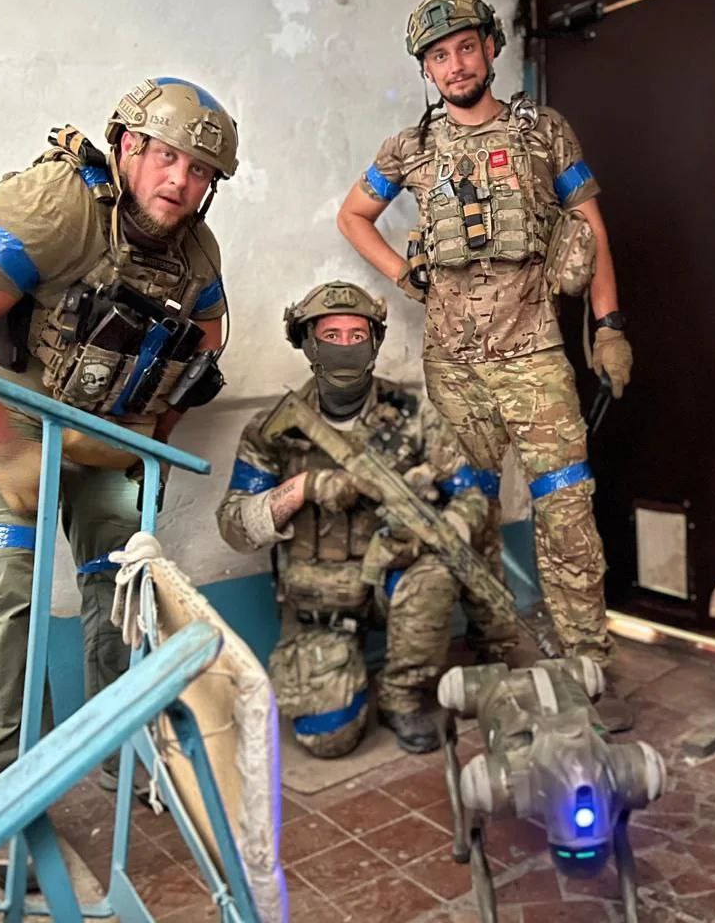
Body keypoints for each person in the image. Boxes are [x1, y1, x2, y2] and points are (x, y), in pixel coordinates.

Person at [0, 77, 239, 817]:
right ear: (127, 145)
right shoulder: (55, 202)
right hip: (7, 414)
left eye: (200, 171)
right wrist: (3, 453)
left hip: (102, 430)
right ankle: (5, 802)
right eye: (166, 156)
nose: (180, 180)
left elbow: (206, 341)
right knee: (8, 575)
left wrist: (152, 437)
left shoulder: (196, 250)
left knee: (125, 574)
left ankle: (121, 749)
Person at [336, 0, 633, 727]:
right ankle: (496, 647)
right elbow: (354, 215)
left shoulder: (543, 132)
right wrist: (403, 274)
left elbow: (589, 226)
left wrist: (609, 326)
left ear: (491, 48)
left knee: (567, 506)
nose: (455, 65)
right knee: (468, 512)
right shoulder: (408, 148)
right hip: (454, 367)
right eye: (439, 56)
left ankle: (586, 664)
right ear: (427, 70)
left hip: (535, 356)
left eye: (466, 47)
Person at [216, 281, 517, 757]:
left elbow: (470, 496)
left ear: (374, 343)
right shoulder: (273, 431)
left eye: (357, 335)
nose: (345, 346)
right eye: (331, 335)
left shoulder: (411, 414)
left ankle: (401, 695)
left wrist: (437, 534)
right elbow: (234, 526)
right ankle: (342, 677)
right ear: (308, 343)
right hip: (320, 598)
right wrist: (304, 488)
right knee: (328, 739)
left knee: (436, 574)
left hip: (393, 580)